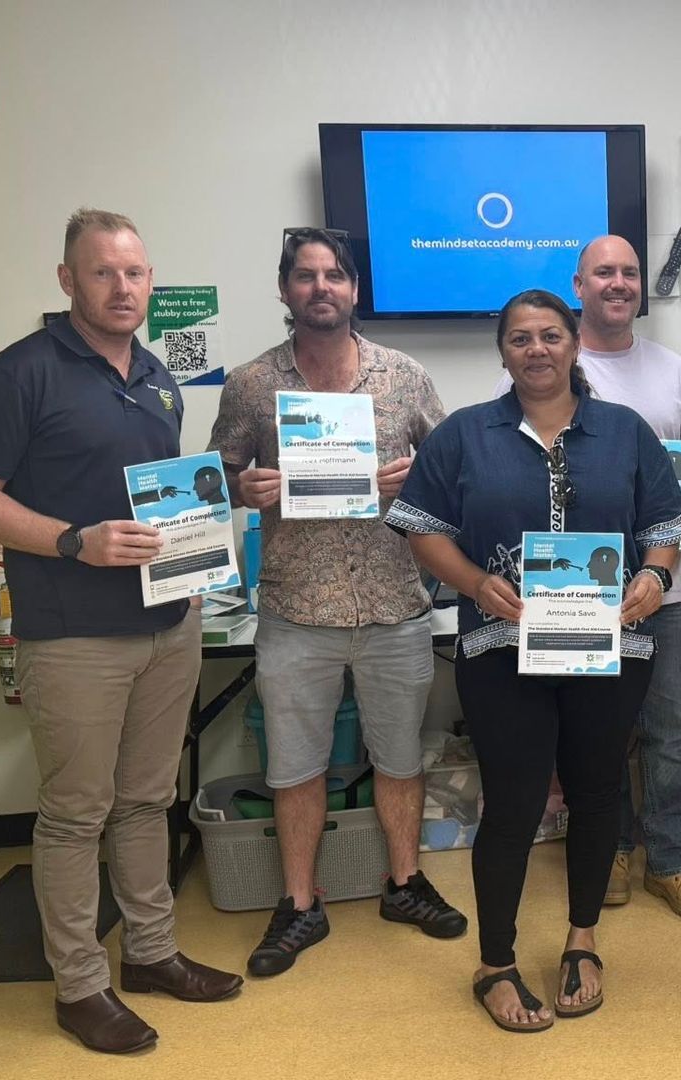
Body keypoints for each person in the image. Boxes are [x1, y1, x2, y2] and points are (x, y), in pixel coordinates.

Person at [0, 209, 242, 1055]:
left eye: (136, 273)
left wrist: (203, 551)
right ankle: (79, 986)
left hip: (167, 625)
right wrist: (76, 541)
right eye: (103, 272)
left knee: (148, 800)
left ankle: (149, 954)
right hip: (71, 633)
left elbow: (164, 497)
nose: (124, 288)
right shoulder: (19, 373)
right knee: (77, 812)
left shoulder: (156, 376)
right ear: (67, 279)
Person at [392, 289, 681, 1032]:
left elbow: (663, 528)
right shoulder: (464, 435)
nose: (536, 349)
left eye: (550, 335)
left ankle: (582, 940)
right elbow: (422, 529)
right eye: (520, 338)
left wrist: (654, 577)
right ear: (502, 353)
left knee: (596, 794)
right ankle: (495, 961)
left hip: (609, 647)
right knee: (515, 802)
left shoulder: (625, 433)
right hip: (502, 648)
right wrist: (475, 585)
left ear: (574, 344)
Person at [206, 228, 465, 978]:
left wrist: (415, 477)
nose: (322, 287)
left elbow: (451, 470)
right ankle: (298, 904)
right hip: (295, 611)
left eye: (335, 276)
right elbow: (214, 478)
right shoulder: (252, 384)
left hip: (394, 605)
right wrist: (241, 488)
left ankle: (406, 883)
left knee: (398, 758)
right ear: (285, 289)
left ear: (354, 290)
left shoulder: (405, 375)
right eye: (305, 276)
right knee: (294, 767)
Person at [492, 235, 681, 921]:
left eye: (628, 272)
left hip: (667, 587)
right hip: (578, 595)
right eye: (604, 273)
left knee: (671, 730)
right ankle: (612, 848)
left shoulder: (673, 370)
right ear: (579, 285)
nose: (619, 283)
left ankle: (675, 861)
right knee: (599, 733)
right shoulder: (547, 364)